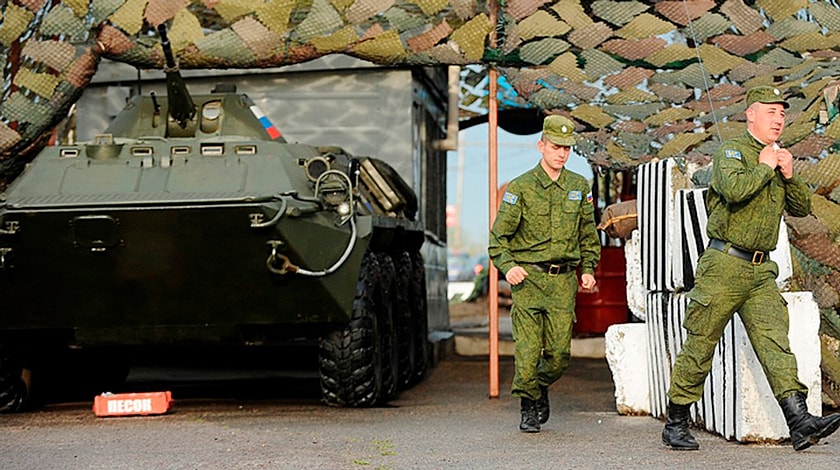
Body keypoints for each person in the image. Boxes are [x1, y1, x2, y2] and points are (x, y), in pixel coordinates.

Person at [662, 86, 840, 451]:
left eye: (782, 113)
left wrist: (789, 174)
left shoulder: (777, 159)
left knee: (775, 342)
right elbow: (734, 189)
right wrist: (764, 166)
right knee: (700, 343)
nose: (779, 119)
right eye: (771, 111)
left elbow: (802, 207)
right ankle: (676, 420)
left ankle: (799, 421)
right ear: (751, 114)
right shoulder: (732, 152)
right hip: (724, 264)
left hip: (761, 270)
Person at [488, 115, 600, 433]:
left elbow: (588, 235)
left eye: (566, 148)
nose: (561, 153)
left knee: (559, 354)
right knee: (526, 350)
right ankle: (528, 405)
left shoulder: (579, 187)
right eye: (555, 146)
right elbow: (498, 239)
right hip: (529, 281)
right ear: (541, 147)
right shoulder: (520, 188)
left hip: (563, 283)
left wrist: (588, 269)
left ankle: (537, 386)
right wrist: (509, 268)